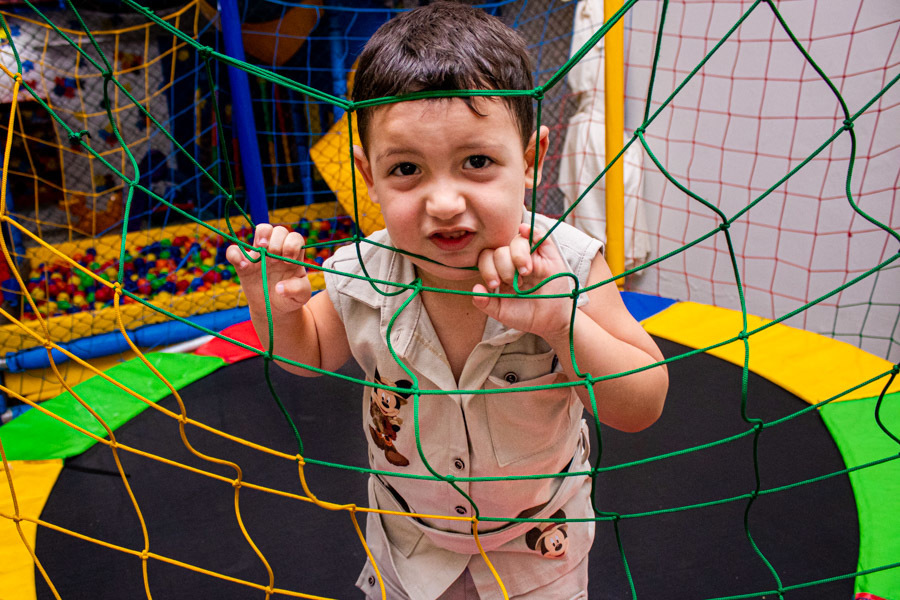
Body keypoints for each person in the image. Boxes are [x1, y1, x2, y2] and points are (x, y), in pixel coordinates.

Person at [226, 3, 668, 598]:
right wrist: (275, 306)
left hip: (537, 548)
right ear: (369, 175)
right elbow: (304, 354)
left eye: (477, 163)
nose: (442, 202)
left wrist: (562, 323)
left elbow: (640, 405)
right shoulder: (362, 271)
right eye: (407, 169)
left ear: (532, 160)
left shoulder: (568, 261)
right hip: (409, 542)